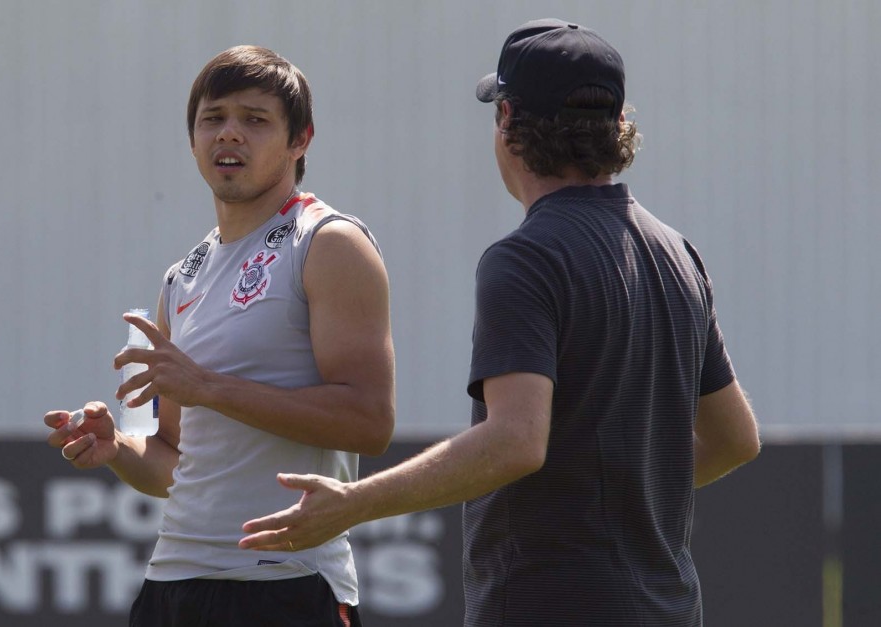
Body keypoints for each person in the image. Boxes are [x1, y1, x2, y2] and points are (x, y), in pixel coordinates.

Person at [237, 19, 760, 627]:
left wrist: (351, 504)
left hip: (551, 606)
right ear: (618, 127)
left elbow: (514, 441)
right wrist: (618, 505)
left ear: (508, 120)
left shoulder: (528, 257)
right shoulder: (677, 253)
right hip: (667, 608)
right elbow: (734, 440)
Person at [44, 45, 394, 627]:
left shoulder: (329, 243)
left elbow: (370, 422)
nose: (229, 134)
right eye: (213, 119)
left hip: (286, 583)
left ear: (300, 139)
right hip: (171, 583)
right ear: (192, 139)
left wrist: (209, 386)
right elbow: (173, 462)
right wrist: (117, 449)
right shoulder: (183, 274)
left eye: (255, 120)